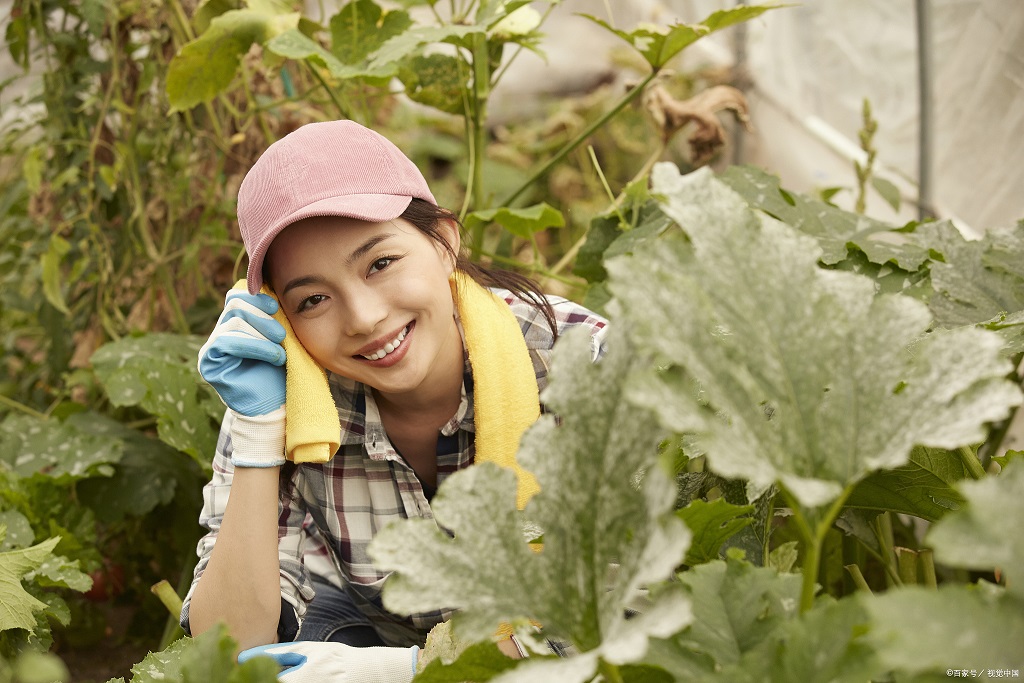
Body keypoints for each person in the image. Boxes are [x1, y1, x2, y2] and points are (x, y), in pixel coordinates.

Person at [182, 120, 608, 681]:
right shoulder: (283, 392)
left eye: (380, 263)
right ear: (279, 316)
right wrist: (259, 435)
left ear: (444, 242)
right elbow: (228, 647)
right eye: (312, 299)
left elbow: (626, 611)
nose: (364, 318)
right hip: (369, 627)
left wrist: (407, 671)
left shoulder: (582, 364)